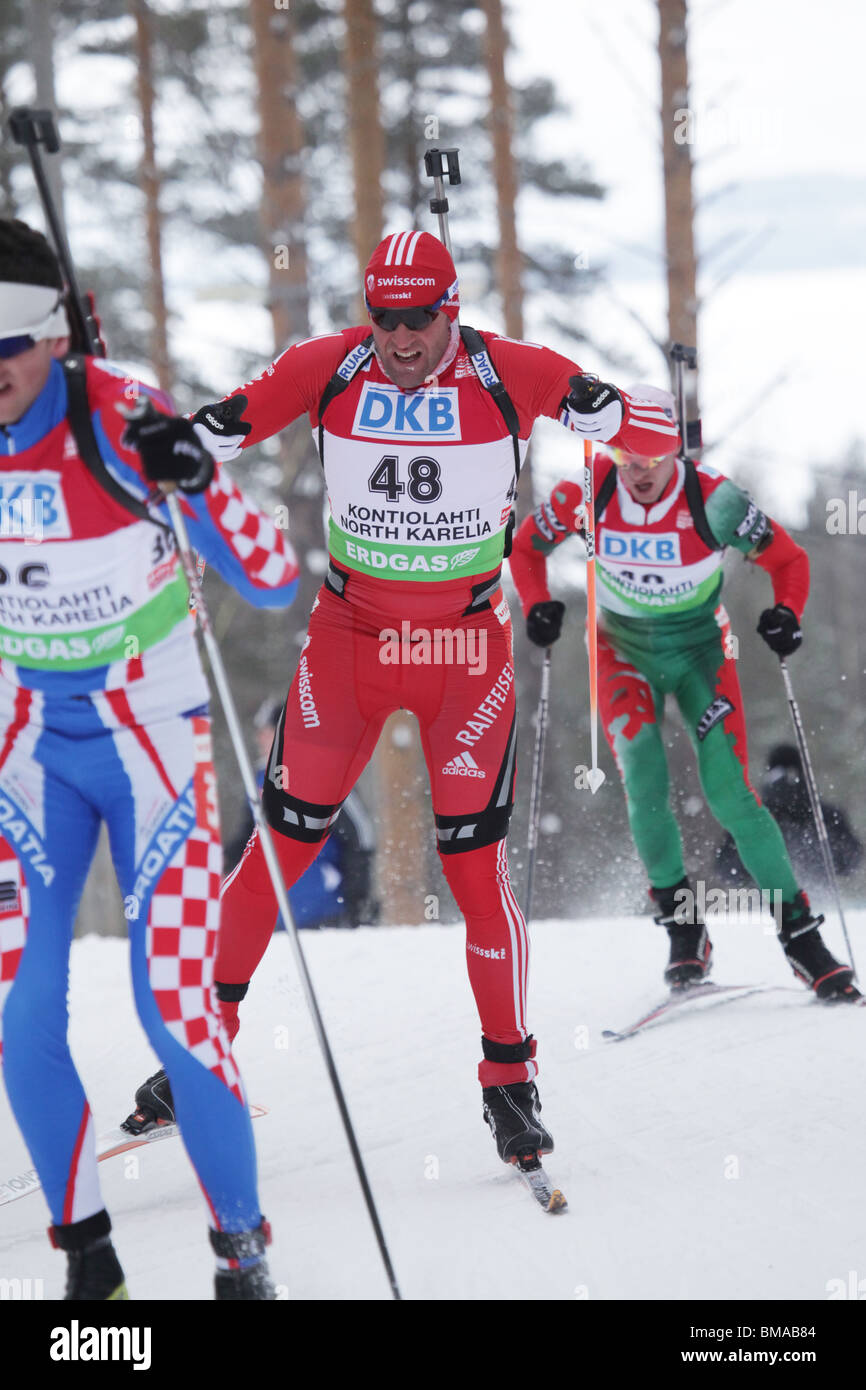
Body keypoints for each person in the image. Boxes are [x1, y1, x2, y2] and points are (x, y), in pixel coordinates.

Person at [123, 229, 680, 1170]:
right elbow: (221, 427)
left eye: (419, 318)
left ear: (449, 311)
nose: (400, 336)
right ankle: (198, 1051)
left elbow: (656, 438)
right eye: (385, 316)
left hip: (465, 649)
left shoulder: (511, 369)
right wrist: (164, 444)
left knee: (473, 871)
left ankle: (509, 1080)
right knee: (280, 847)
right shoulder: (329, 364)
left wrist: (603, 412)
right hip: (350, 640)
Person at [0, 218, 299, 1299]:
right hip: (26, 751)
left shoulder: (123, 415)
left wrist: (202, 479)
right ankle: (88, 1257)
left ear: (51, 340)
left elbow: (270, 575)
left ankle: (241, 1250)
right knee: (18, 1008)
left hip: (150, 747)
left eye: (3, 353)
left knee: (171, 1003)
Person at [508, 401, 860, 1002]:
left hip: (701, 651)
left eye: (651, 456)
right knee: (644, 780)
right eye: (626, 455)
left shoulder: (715, 500)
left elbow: (788, 559)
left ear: (676, 450)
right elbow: (525, 548)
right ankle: (684, 927)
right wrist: (538, 602)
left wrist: (786, 614)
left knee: (731, 793)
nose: (638, 470)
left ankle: (801, 936)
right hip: (623, 653)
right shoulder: (586, 494)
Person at [223, 696, 380, 928]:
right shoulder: (258, 779)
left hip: (326, 912)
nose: (260, 738)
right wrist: (224, 861)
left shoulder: (326, 774)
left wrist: (359, 896)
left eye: (266, 731)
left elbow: (360, 835)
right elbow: (249, 837)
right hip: (275, 919)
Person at [716, 743, 863, 893]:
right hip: (823, 904)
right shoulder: (824, 814)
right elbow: (851, 862)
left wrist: (750, 867)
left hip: (768, 906)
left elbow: (727, 871)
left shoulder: (754, 817)